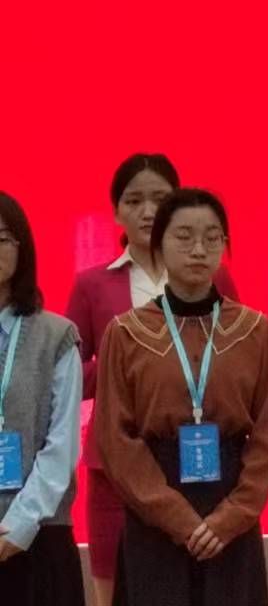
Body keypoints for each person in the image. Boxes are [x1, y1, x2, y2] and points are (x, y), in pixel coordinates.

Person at [94, 188, 268, 606]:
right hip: (153, 507)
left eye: (212, 237)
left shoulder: (255, 332)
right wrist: (174, 516)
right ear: (158, 243)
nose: (199, 249)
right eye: (184, 236)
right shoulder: (125, 334)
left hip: (231, 503)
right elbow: (115, 438)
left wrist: (233, 516)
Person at [66, 155, 237, 606]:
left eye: (159, 199)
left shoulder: (214, 275)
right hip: (117, 463)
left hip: (200, 455)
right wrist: (125, 365)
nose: (147, 211)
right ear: (116, 211)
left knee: (203, 584)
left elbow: (234, 353)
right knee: (116, 587)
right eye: (134, 200)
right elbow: (69, 375)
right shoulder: (92, 285)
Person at [0, 192, 85, 606]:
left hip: (41, 536)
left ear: (22, 248)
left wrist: (20, 523)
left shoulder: (56, 335)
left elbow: (62, 443)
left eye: (2, 238)